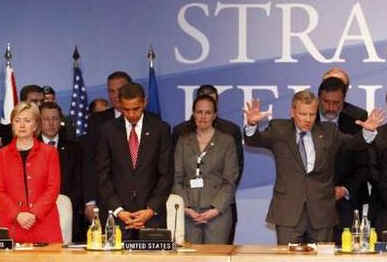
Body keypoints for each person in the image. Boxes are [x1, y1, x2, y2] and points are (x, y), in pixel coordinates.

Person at [243, 90, 383, 244]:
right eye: (303, 114)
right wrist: (251, 124)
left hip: (322, 213)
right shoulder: (279, 129)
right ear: (292, 112)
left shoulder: (328, 131)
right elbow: (254, 140)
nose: (308, 119)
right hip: (288, 212)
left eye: (312, 114)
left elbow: (353, 143)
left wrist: (367, 132)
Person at [96, 82, 173, 239]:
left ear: (144, 102)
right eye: (126, 109)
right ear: (118, 104)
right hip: (117, 218)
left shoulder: (161, 129)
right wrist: (119, 210)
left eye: (136, 109)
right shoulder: (107, 131)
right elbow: (102, 174)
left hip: (151, 218)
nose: (131, 114)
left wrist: (150, 209)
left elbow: (166, 174)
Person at [172, 84, 243, 243]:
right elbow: (177, 178)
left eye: (208, 112)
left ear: (215, 115)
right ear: (193, 114)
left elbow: (230, 180)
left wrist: (215, 209)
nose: (203, 116)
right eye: (199, 112)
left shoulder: (226, 141)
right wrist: (186, 207)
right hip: (188, 213)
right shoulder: (183, 141)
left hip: (218, 214)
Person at [317, 75, 370, 244]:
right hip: (313, 202)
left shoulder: (358, 118)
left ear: (344, 100)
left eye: (336, 103)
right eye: (326, 102)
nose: (331, 108)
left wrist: (345, 189)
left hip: (347, 202)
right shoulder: (307, 117)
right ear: (319, 99)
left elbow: (364, 164)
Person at [0, 102, 62, 243]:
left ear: (35, 125)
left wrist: (34, 214)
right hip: (12, 225)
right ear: (12, 124)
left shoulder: (50, 153)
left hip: (44, 225)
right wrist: (17, 214)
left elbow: (53, 189)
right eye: (17, 120)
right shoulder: (1, 155)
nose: (22, 125)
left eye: (27, 121)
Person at [84, 71, 132, 222]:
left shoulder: (150, 121)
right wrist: (90, 201)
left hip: (139, 201)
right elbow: (89, 163)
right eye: (111, 91)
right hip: (105, 200)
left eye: (120, 90)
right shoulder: (96, 121)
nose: (116, 95)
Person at [40, 102, 85, 242]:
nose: (51, 123)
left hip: (70, 211)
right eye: (46, 119)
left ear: (60, 121)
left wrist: (66, 204)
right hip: (39, 213)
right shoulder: (31, 147)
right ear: (38, 121)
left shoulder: (75, 148)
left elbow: (80, 182)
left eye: (55, 118)